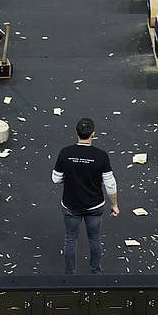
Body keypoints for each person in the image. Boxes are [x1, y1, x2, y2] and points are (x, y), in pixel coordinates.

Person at [52, 117, 118, 275]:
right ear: (93, 134)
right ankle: (96, 272)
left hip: (70, 205)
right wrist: (114, 204)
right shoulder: (101, 156)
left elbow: (56, 179)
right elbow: (110, 184)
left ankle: (70, 274)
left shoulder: (65, 153)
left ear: (77, 133)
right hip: (94, 206)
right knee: (94, 239)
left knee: (70, 239)